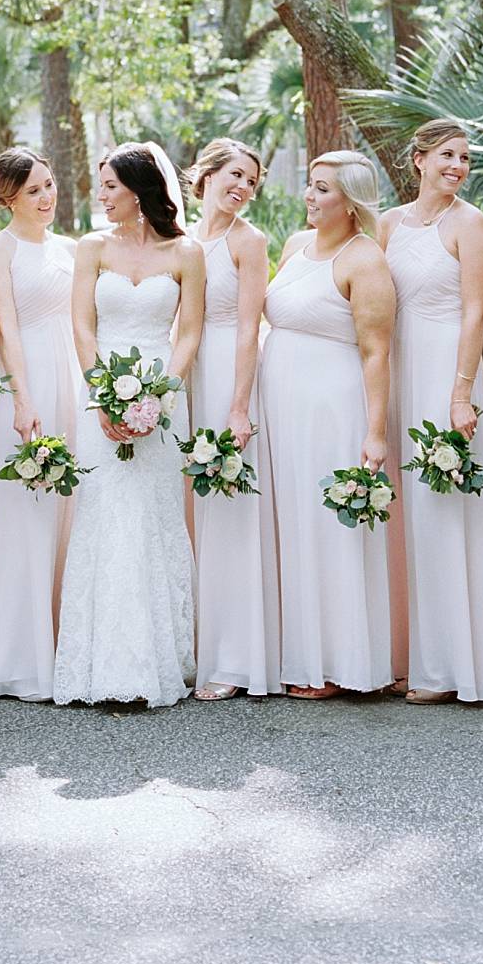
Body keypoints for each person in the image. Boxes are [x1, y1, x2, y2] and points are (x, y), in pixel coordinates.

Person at [53, 143, 206, 708]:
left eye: (111, 186)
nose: (102, 195)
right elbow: (82, 326)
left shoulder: (186, 252)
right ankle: (98, 664)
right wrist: (103, 396)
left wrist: (162, 394)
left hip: (162, 393)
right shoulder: (91, 248)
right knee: (105, 515)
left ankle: (158, 661)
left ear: (140, 191)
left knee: (154, 517)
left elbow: (188, 331)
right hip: (99, 397)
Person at [261, 151, 397, 699]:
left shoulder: (364, 260)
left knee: (328, 529)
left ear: (351, 201)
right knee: (293, 523)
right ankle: (300, 653)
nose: (310, 198)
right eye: (310, 187)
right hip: (283, 404)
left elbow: (376, 352)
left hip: (331, 406)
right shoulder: (295, 247)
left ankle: (341, 664)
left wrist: (375, 429)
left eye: (322, 190)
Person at [381, 119, 483, 705]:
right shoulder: (387, 224)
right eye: (448, 155)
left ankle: (452, 666)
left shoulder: (470, 224)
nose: (457, 166)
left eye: (466, 158)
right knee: (400, 516)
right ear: (419, 158)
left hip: (444, 375)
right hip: (397, 373)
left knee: (443, 512)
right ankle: (403, 655)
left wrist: (460, 393)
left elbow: (477, 312)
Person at [0, 148, 81, 701]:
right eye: (35, 190)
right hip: (27, 376)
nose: (47, 197)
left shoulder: (70, 248)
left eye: (50, 185)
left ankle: (70, 639)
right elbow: (6, 330)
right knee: (27, 508)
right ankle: (21, 654)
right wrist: (21, 397)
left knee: (71, 507)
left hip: (72, 374)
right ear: (8, 196)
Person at [185, 138, 279, 700]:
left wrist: (239, 406)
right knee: (188, 516)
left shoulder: (250, 242)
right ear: (208, 174)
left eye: (252, 181)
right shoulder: (180, 237)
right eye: (236, 175)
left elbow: (249, 328)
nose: (242, 188)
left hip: (226, 374)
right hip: (183, 377)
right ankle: (190, 644)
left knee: (227, 514)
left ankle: (233, 658)